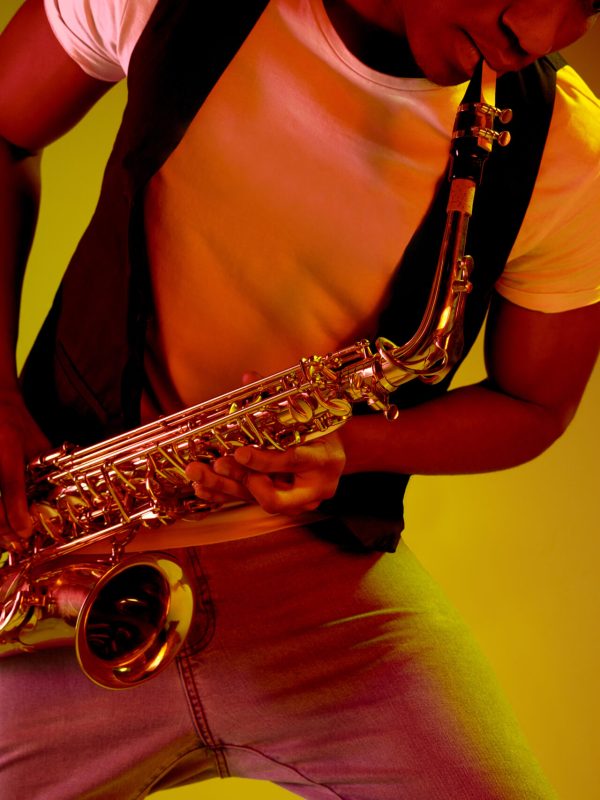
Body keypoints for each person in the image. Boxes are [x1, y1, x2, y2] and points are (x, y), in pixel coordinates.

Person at [0, 0, 599, 798]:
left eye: (588, 6)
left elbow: (536, 404)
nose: (544, 36)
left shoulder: (564, 146)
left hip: (317, 578)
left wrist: (354, 449)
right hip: (55, 540)